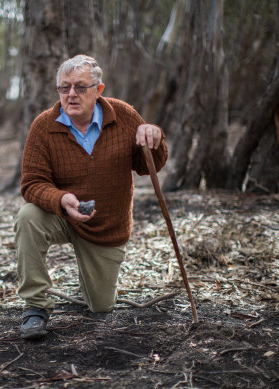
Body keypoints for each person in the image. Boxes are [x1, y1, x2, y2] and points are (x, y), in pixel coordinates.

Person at [14, 54, 168, 339]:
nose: (71, 94)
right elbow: (32, 184)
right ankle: (35, 306)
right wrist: (61, 200)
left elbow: (150, 166)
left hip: (106, 227)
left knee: (100, 307)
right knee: (28, 217)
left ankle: (88, 280)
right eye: (64, 87)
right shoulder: (43, 126)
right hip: (63, 216)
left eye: (81, 87)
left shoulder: (124, 117)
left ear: (98, 90)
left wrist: (154, 137)